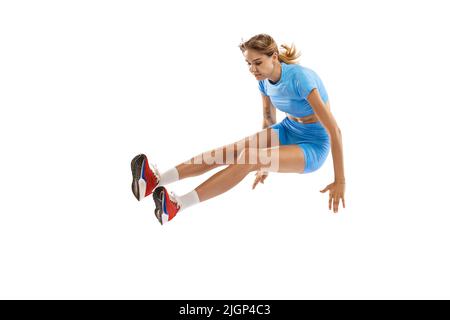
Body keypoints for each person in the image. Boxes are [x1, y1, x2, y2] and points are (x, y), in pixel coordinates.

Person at [130, 33, 346, 225]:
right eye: (249, 64)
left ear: (274, 57)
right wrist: (266, 159)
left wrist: (340, 181)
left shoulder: (300, 78)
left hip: (314, 145)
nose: (253, 69)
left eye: (258, 63)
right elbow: (269, 118)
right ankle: (154, 181)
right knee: (231, 152)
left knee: (249, 159)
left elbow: (334, 131)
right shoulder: (263, 81)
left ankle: (177, 206)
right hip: (288, 129)